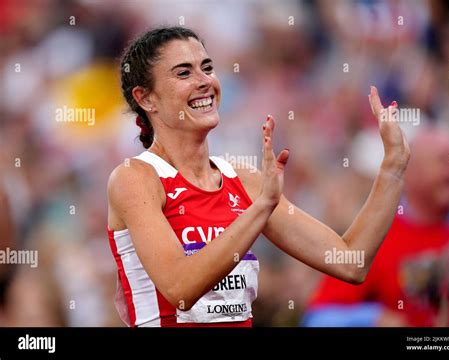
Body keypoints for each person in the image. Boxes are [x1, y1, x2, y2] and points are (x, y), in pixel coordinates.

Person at [107, 26, 410, 327]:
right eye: (184, 73)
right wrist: (262, 207)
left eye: (207, 68)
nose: (205, 81)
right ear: (146, 99)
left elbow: (350, 262)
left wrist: (392, 169)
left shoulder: (245, 181)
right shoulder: (134, 178)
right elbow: (181, 289)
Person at [302, 127, 449, 327]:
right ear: (411, 170)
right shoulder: (377, 234)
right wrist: (373, 317)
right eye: (444, 161)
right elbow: (317, 318)